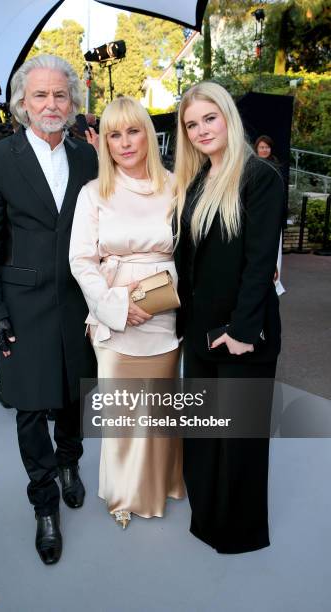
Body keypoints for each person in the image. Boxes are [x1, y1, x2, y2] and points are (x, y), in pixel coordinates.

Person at [0, 54, 98, 565]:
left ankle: (71, 463)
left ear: (72, 104)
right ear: (22, 103)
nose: (51, 104)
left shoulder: (89, 159)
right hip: (21, 305)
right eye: (40, 95)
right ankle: (44, 503)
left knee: (73, 395)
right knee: (29, 407)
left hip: (80, 303)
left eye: (60, 95)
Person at [173, 82, 284, 554]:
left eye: (209, 118)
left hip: (242, 334)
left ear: (228, 118)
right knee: (202, 436)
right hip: (200, 332)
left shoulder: (261, 178)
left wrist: (242, 332)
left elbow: (260, 263)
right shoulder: (197, 181)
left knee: (238, 442)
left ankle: (237, 534)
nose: (201, 130)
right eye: (191, 124)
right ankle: (206, 519)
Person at [69, 96, 185, 529]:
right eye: (114, 135)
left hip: (165, 311)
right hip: (115, 316)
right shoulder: (92, 193)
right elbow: (80, 260)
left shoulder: (175, 185)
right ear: (104, 143)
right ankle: (122, 492)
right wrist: (118, 306)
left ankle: (159, 484)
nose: (124, 142)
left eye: (132, 131)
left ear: (147, 134)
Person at [254, 135, 285, 296]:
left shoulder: (275, 167)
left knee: (274, 248)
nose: (264, 150)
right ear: (256, 149)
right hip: (256, 216)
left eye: (267, 147)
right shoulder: (251, 167)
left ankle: (274, 282)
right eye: (261, 147)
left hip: (271, 217)